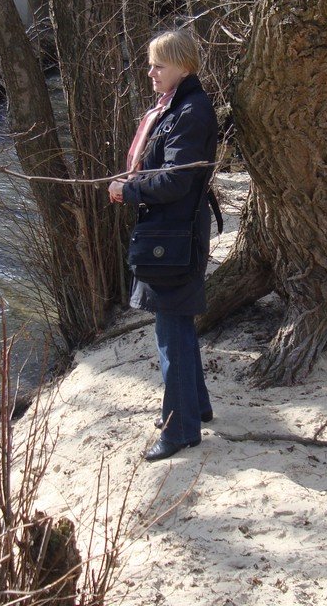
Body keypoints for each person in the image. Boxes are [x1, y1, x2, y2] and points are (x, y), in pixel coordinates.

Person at [108, 30, 218, 462]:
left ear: (184, 67)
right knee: (177, 327)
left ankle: (180, 432)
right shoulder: (176, 107)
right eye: (150, 64)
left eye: (159, 65)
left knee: (171, 334)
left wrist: (129, 190)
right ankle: (196, 409)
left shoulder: (190, 111)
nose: (151, 72)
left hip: (175, 237)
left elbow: (175, 180)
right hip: (171, 234)